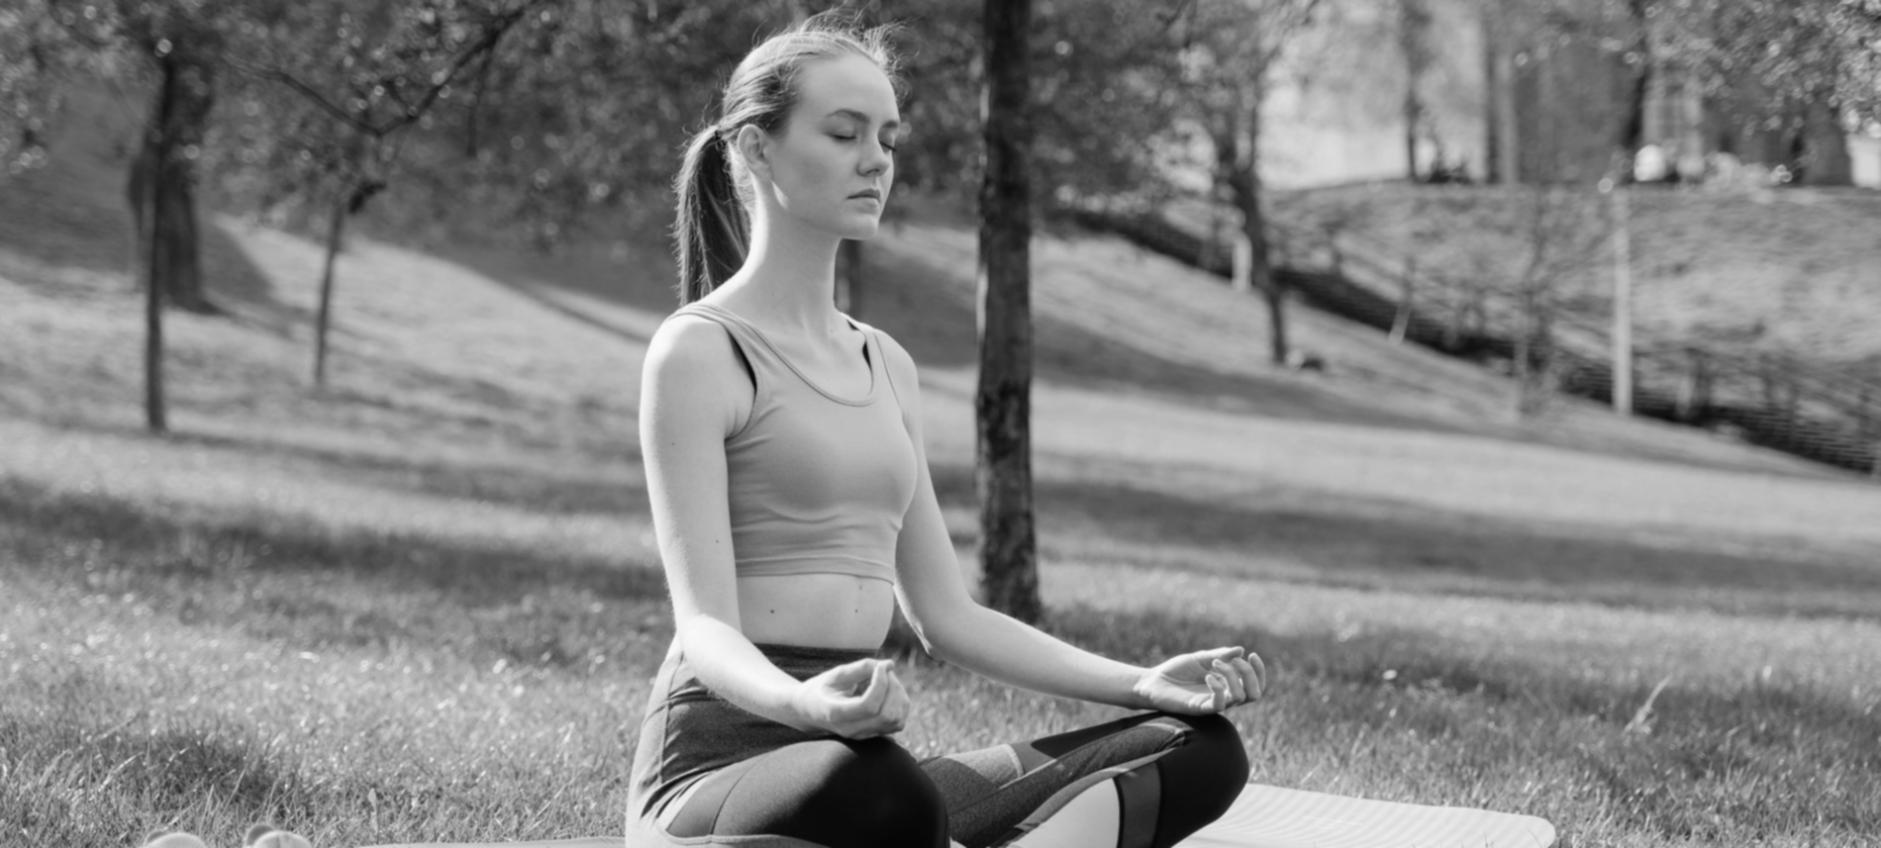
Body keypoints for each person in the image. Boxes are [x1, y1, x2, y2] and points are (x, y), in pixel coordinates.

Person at [629, 15, 1268, 848]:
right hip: (721, 770)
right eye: (843, 132)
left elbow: (946, 616)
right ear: (755, 149)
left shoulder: (883, 363)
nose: (875, 161)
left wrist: (1140, 683)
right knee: (882, 792)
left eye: (887, 139)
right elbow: (704, 628)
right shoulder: (700, 350)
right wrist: (806, 705)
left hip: (853, 758)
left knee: (1198, 749)